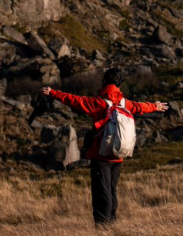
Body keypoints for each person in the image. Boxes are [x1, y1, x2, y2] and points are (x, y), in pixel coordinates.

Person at [41, 68, 168, 226]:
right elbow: (140, 107)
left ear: (104, 81)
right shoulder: (124, 103)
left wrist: (53, 93)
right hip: (118, 154)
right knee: (112, 191)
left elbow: (75, 100)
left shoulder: (98, 102)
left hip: (100, 155)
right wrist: (155, 106)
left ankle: (103, 228)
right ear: (119, 84)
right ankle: (112, 226)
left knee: (102, 193)